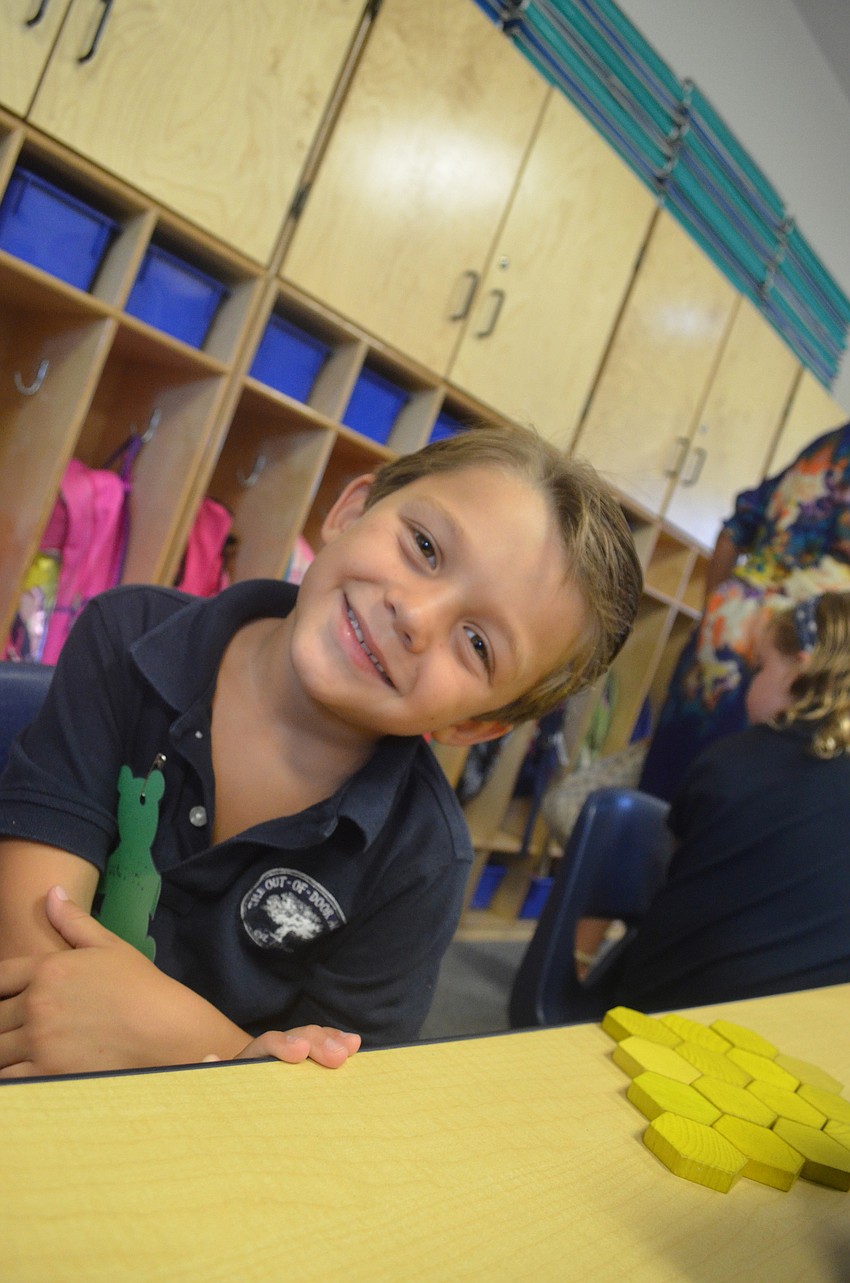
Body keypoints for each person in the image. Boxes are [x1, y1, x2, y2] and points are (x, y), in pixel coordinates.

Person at [0, 423, 642, 1077]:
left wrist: (188, 1041)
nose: (416, 616)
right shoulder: (126, 636)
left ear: (474, 726)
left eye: (478, 643)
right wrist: (237, 1050)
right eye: (424, 545)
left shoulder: (422, 861)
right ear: (351, 509)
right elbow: (32, 951)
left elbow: (325, 1097)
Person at [614, 591, 850, 1012]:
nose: (748, 683)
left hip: (662, 1009)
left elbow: (672, 872)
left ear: (801, 670)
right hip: (804, 1033)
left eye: (759, 668)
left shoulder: (730, 760)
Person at [639, 421, 850, 802]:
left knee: (666, 787)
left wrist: (715, 613)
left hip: (726, 630)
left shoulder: (827, 445)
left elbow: (733, 531)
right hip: (797, 660)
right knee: (732, 801)